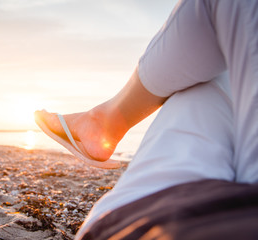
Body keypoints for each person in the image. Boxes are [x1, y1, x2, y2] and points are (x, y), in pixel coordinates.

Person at [35, 0, 258, 239]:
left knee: (210, 77)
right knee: (218, 71)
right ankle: (104, 122)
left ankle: (105, 121)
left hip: (160, 224)